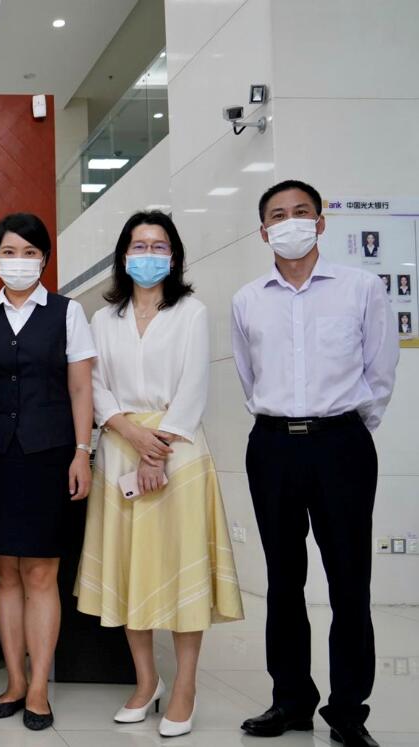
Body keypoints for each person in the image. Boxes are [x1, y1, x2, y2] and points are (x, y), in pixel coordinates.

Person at [233, 180, 397, 747]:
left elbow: (380, 371)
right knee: (283, 580)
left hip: (341, 445)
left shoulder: (360, 287)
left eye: (301, 212)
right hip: (273, 445)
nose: (291, 222)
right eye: (278, 215)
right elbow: (248, 376)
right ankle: (291, 700)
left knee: (350, 580)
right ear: (263, 232)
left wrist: (347, 428)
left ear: (321, 222)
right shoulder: (248, 299)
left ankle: (348, 710)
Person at [74, 211, 244, 738]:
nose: (148, 254)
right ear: (123, 255)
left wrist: (157, 449)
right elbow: (95, 386)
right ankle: (146, 682)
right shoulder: (104, 319)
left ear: (174, 256)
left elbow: (194, 385)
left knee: (181, 568)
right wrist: (131, 434)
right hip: (122, 447)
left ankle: (185, 686)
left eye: (158, 245)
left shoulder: (191, 311)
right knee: (133, 569)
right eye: (139, 245)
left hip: (178, 451)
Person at [0, 212, 95, 731]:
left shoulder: (68, 312)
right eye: (9, 252)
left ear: (44, 259)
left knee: (41, 572)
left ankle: (39, 685)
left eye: (29, 253)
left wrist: (82, 451)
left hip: (50, 455)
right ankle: (14, 680)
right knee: (4, 572)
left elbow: (81, 388)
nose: (18, 261)